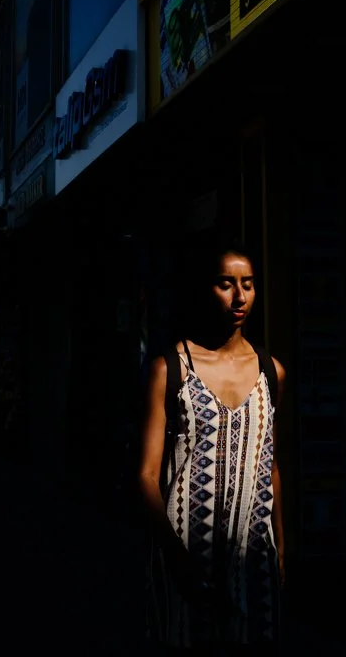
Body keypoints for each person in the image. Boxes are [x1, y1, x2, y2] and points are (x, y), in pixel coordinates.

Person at [138, 238, 286, 651]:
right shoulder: (170, 368)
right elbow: (147, 476)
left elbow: (270, 463)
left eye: (249, 284)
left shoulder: (271, 371)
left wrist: (279, 549)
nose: (240, 296)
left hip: (253, 557)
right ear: (206, 288)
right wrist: (175, 558)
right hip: (185, 552)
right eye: (226, 283)